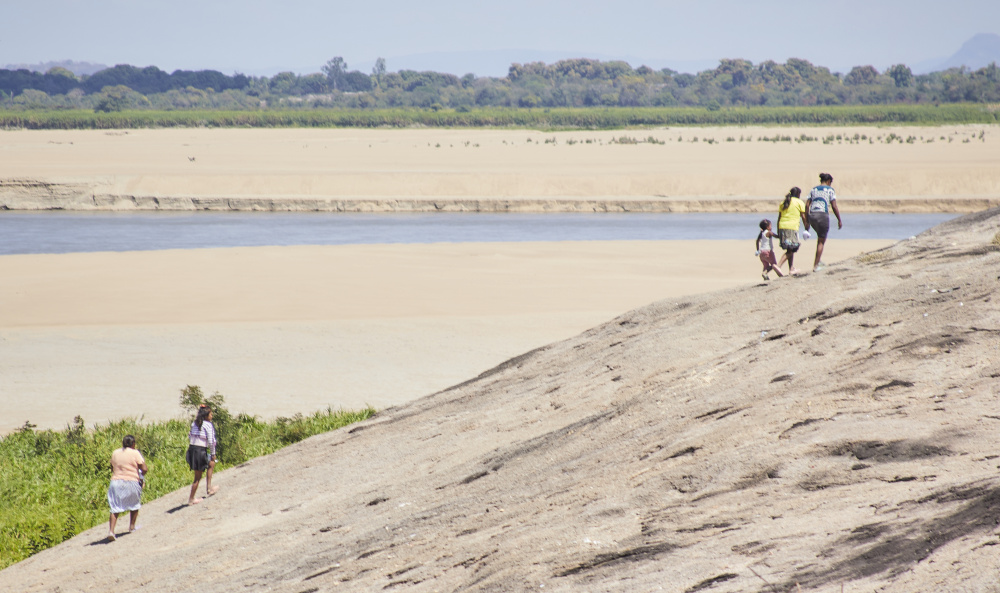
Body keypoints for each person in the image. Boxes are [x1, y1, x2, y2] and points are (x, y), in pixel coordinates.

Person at [107, 434, 147, 541]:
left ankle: (111, 531)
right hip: (131, 481)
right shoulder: (135, 453)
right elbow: (144, 468)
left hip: (115, 482)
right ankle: (132, 527)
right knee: (134, 505)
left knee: (115, 508)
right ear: (133, 444)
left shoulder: (115, 453)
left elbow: (112, 467)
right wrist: (141, 475)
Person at [805, 172, 843, 272]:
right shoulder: (830, 190)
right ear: (828, 181)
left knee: (819, 237)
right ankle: (816, 265)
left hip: (812, 215)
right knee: (821, 241)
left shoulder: (813, 189)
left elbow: (807, 205)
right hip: (822, 215)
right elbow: (834, 206)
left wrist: (807, 221)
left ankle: (818, 261)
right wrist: (839, 219)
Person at [186, 405, 219, 505]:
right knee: (197, 478)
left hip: (192, 450)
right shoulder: (208, 425)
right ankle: (191, 499)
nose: (212, 416)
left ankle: (209, 488)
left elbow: (190, 435)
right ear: (206, 415)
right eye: (211, 414)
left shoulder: (194, 423)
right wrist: (213, 453)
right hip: (199, 451)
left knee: (211, 464)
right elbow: (211, 441)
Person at [775, 187, 808, 275]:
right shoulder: (799, 202)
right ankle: (778, 265)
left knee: (790, 248)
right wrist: (806, 227)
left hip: (782, 227)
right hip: (792, 228)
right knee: (792, 249)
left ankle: (791, 268)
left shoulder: (783, 202)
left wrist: (778, 231)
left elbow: (779, 218)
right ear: (798, 194)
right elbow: (803, 216)